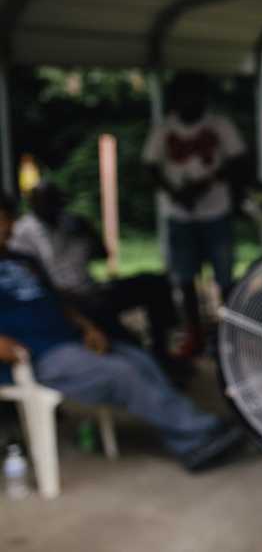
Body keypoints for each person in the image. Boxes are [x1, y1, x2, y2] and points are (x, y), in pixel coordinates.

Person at [0, 194, 242, 471]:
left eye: (8, 218)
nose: (9, 226)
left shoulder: (23, 261)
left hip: (69, 340)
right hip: (34, 357)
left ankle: (190, 437)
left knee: (140, 360)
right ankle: (199, 433)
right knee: (122, 374)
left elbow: (57, 301)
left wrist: (87, 327)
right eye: (3, 219)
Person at [9, 182, 178, 371]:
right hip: (67, 299)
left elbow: (103, 255)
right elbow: (31, 280)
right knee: (121, 338)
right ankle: (140, 357)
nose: (50, 206)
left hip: (93, 288)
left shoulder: (72, 222)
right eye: (44, 202)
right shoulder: (23, 232)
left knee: (153, 282)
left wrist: (89, 231)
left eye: (54, 201)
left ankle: (162, 348)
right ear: (33, 204)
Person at [142, 73, 248, 358]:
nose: (191, 102)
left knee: (224, 278)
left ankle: (229, 335)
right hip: (179, 214)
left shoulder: (219, 125)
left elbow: (238, 161)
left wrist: (207, 185)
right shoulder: (164, 129)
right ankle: (195, 334)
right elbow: (150, 167)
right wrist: (176, 194)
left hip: (216, 210)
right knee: (185, 279)